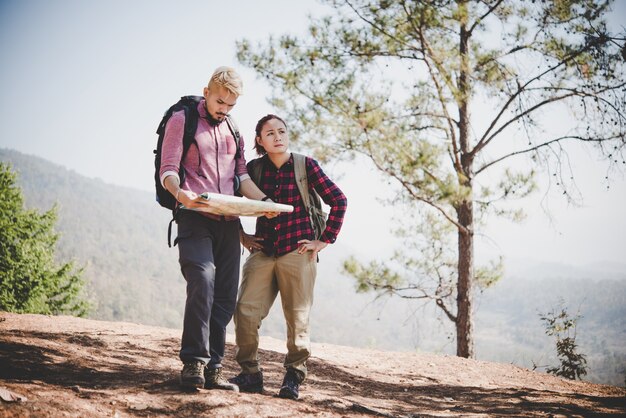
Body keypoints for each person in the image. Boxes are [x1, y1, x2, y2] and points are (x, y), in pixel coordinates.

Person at [159, 66, 275, 391]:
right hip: (193, 216)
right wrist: (180, 193)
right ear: (207, 92)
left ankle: (214, 367)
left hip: (228, 220)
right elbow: (168, 168)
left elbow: (241, 177)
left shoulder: (233, 129)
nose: (224, 109)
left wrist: (265, 202)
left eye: (231, 105)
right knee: (202, 278)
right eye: (220, 101)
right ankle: (193, 362)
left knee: (224, 294)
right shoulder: (183, 120)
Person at [229, 114, 347, 400]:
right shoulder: (253, 170)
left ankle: (293, 377)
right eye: (270, 133)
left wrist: (324, 240)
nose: (277, 137)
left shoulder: (306, 165)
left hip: (298, 251)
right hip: (263, 251)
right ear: (259, 140)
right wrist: (241, 235)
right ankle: (250, 374)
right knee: (244, 310)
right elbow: (229, 198)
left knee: (298, 318)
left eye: (282, 131)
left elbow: (339, 200)